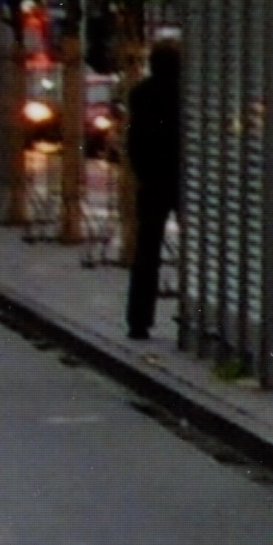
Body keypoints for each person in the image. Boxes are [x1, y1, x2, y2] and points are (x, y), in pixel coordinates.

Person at [122, 36, 184, 341]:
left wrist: (142, 171)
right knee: (196, 251)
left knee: (147, 251)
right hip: (186, 179)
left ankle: (138, 320)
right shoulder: (188, 94)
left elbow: (134, 139)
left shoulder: (141, 93)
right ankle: (191, 314)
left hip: (153, 179)